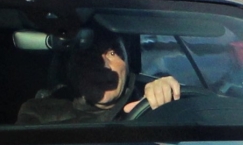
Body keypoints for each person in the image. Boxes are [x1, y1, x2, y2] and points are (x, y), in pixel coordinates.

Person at [17, 28, 182, 124]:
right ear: (73, 68)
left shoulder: (147, 101)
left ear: (127, 62)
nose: (103, 65)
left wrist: (164, 99)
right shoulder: (42, 113)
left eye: (112, 53)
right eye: (89, 56)